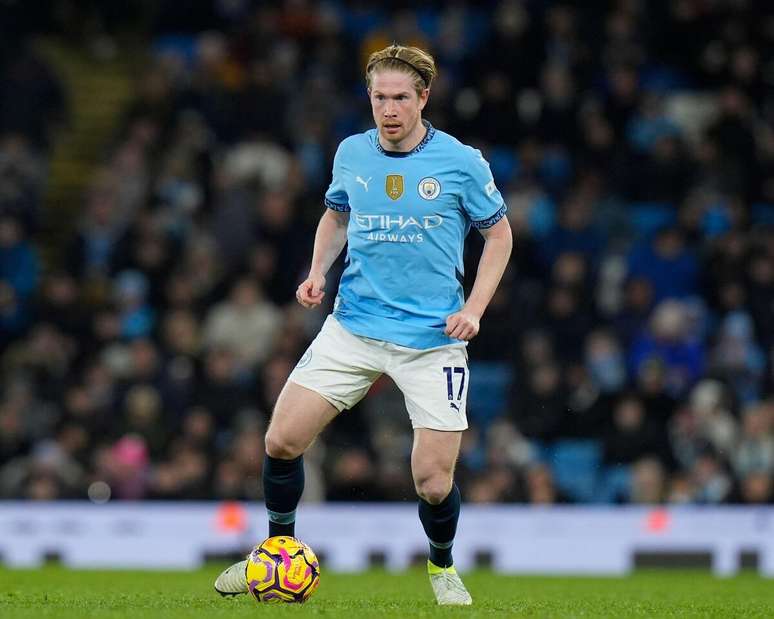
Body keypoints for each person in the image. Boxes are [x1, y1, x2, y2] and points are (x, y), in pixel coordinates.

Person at [214, 44, 512, 606]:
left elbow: (499, 235)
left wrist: (473, 308)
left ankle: (442, 566)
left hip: (432, 341)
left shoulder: (461, 162)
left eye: (401, 97)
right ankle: (278, 553)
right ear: (369, 99)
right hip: (353, 327)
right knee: (281, 440)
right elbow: (337, 213)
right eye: (380, 97)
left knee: (432, 479)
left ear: (424, 98)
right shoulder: (352, 152)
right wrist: (316, 272)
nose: (390, 109)